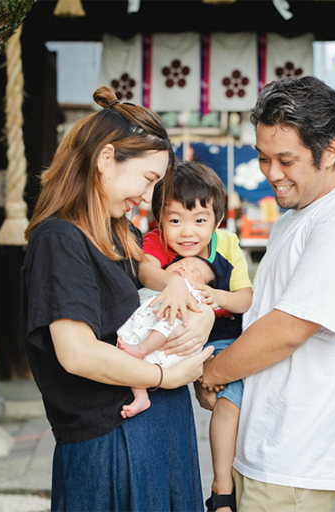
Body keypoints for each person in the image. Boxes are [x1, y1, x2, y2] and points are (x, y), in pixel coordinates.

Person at [197, 75, 335, 511]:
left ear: (330, 150)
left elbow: (288, 329)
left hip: (295, 456)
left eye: (286, 159)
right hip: (265, 441)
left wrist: (214, 372)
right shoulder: (296, 215)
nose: (271, 174)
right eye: (263, 158)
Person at [21, 86, 215, 512]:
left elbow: (158, 286)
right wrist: (167, 377)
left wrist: (195, 310)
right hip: (111, 437)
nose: (148, 198)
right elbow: (77, 354)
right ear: (106, 158)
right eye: (148, 180)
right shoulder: (59, 238)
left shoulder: (117, 231)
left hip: (158, 423)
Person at [142, 161, 253, 512]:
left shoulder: (228, 244)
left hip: (221, 335)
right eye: (175, 220)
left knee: (231, 398)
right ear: (159, 219)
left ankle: (222, 487)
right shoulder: (156, 243)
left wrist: (220, 298)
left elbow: (246, 299)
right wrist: (172, 281)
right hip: (170, 336)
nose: (187, 232)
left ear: (217, 220)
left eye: (200, 221)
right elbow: (145, 270)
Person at [117, 256, 219, 418]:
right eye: (181, 264)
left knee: (168, 319)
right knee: (131, 359)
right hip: (144, 334)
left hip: (167, 342)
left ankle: (142, 350)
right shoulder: (155, 286)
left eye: (194, 272)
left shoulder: (192, 292)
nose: (185, 268)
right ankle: (141, 395)